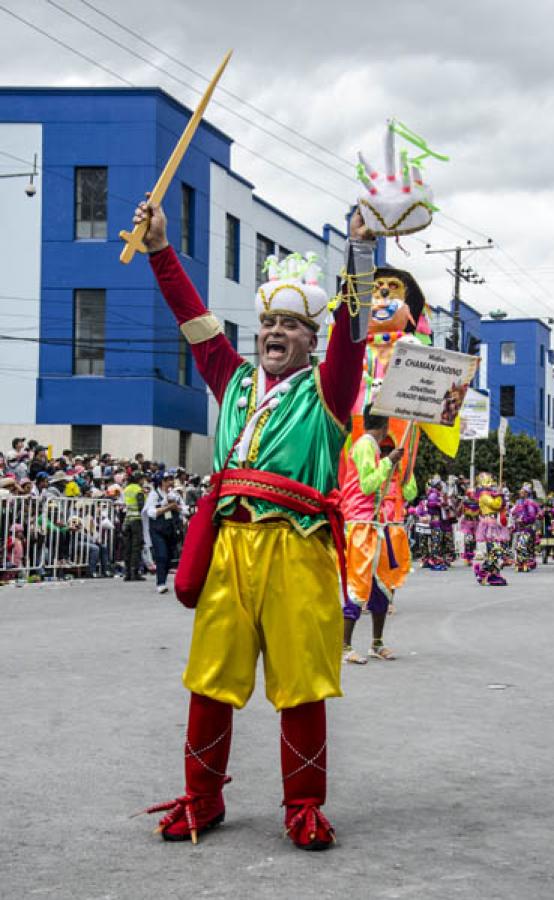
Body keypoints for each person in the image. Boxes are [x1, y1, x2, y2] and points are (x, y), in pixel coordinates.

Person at [131, 198, 367, 850]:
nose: (273, 332)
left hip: (298, 553)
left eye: (289, 325)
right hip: (231, 547)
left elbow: (353, 331)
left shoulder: (329, 392)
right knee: (209, 681)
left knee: (301, 688)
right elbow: (192, 318)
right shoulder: (230, 380)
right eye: (267, 322)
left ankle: (304, 807)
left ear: (310, 339)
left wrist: (362, 256)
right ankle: (201, 801)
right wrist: (159, 249)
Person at [341, 411, 416, 664]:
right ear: (385, 426)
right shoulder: (364, 445)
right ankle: (344, 646)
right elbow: (367, 486)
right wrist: (388, 463)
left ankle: (377, 643)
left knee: (382, 586)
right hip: (360, 524)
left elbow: (407, 491)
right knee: (358, 584)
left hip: (377, 524)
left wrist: (394, 465)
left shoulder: (372, 447)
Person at [144, 471, 182, 594]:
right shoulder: (154, 495)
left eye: (171, 479)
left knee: (169, 557)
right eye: (167, 479)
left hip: (170, 529)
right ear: (161, 482)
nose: (171, 482)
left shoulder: (174, 494)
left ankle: (163, 579)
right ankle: (160, 583)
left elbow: (184, 509)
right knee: (161, 555)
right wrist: (167, 507)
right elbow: (151, 512)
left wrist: (178, 508)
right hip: (157, 530)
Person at [122, 470, 146, 582]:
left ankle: (127, 573)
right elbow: (141, 506)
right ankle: (134, 572)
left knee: (127, 547)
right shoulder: (138, 490)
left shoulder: (126, 489)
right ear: (139, 479)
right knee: (136, 547)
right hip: (136, 520)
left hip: (127, 520)